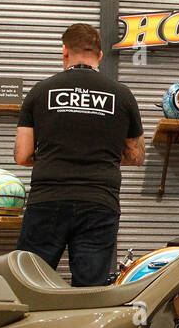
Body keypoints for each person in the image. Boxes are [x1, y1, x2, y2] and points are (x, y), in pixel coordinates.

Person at [14, 23, 145, 286]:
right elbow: (136, 155)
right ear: (99, 56)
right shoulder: (122, 95)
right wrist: (102, 154)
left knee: (29, 284)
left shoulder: (40, 91)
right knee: (90, 291)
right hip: (99, 203)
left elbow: (22, 154)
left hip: (47, 200)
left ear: (65, 52)